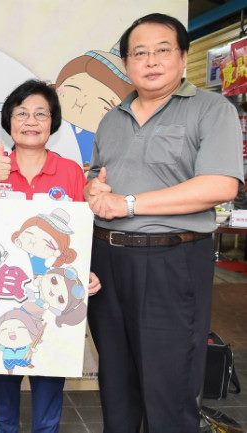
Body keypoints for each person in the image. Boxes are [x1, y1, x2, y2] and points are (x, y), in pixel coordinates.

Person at [84, 13, 243, 433]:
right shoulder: (112, 118)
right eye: (140, 53)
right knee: (116, 383)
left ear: (183, 56)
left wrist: (128, 204)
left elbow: (220, 185)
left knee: (169, 387)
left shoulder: (212, 110)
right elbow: (97, 174)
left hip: (172, 260)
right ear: (126, 63)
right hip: (107, 261)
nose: (151, 61)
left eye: (162, 50)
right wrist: (93, 189)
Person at [0, 79, 101, 433]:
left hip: (56, 295)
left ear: (52, 122)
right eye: (22, 113)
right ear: (9, 121)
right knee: (6, 367)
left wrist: (88, 270)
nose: (31, 121)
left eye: (40, 114)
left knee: (49, 370)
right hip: (5, 290)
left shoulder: (70, 171)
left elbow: (81, 232)